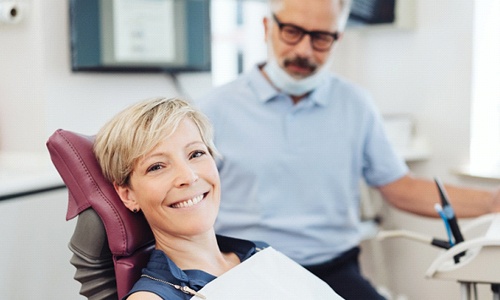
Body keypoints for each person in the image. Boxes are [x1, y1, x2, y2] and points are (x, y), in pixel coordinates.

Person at [196, 0, 500, 299]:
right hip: (246, 269)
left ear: (337, 38)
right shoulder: (214, 110)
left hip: (333, 270)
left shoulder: (356, 105)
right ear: (267, 27)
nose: (304, 50)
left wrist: (492, 202)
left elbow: (401, 188)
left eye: (320, 37)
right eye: (292, 31)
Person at [93, 97, 342, 300]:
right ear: (128, 194)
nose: (188, 177)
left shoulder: (257, 253)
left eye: (196, 153)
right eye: (157, 166)